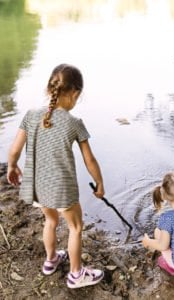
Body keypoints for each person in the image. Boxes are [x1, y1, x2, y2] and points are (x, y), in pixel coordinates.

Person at [7, 64, 105, 288]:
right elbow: (89, 160)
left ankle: (51, 260)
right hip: (61, 187)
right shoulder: (74, 123)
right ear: (75, 93)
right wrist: (99, 182)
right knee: (76, 228)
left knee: (50, 220)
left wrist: (12, 166)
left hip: (37, 184)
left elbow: (14, 150)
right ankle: (76, 274)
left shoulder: (31, 115)